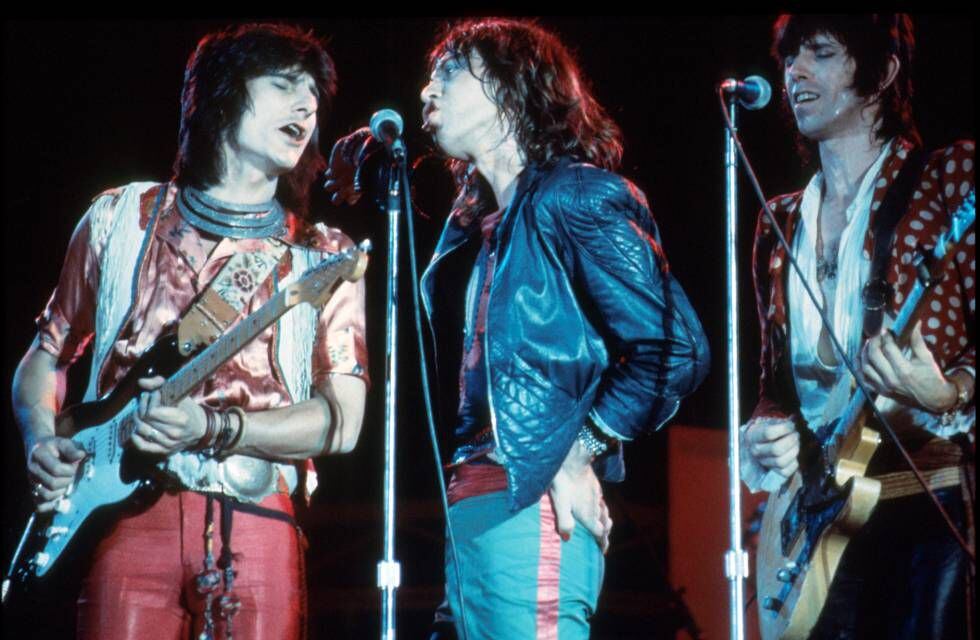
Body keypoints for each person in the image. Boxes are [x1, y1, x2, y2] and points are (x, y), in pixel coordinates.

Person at [328, 17, 709, 639]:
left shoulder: (578, 197)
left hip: (527, 506)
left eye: (448, 73)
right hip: (473, 501)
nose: (427, 90)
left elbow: (675, 348)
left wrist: (576, 448)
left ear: (510, 89)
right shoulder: (478, 224)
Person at [12, 23, 368, 640]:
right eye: (284, 84)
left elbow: (344, 422)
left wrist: (219, 428)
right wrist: (41, 440)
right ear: (224, 95)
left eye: (313, 92)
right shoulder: (118, 216)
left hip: (257, 516)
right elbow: (45, 356)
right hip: (120, 520)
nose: (307, 105)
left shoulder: (318, 253)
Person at [741, 14, 974, 639]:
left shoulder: (949, 181)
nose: (794, 71)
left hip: (926, 505)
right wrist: (766, 428)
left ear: (881, 74)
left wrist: (949, 395)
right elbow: (775, 384)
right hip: (816, 523)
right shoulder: (778, 220)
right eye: (791, 55)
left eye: (821, 52)